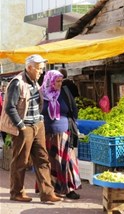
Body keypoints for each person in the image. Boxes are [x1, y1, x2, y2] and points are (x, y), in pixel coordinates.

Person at [0, 54, 62, 202]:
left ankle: (47, 193)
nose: (42, 71)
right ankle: (17, 192)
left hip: (37, 125)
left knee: (43, 159)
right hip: (24, 127)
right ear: (29, 68)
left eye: (42, 69)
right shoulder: (17, 82)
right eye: (39, 69)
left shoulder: (35, 81)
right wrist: (21, 126)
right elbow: (9, 107)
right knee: (21, 161)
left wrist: (39, 119)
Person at [41, 70, 81, 199]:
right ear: (50, 81)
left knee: (67, 160)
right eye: (57, 81)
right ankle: (51, 189)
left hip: (64, 132)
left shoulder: (64, 92)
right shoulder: (41, 94)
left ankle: (69, 189)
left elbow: (73, 110)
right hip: (46, 133)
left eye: (60, 81)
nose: (59, 84)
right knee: (49, 162)